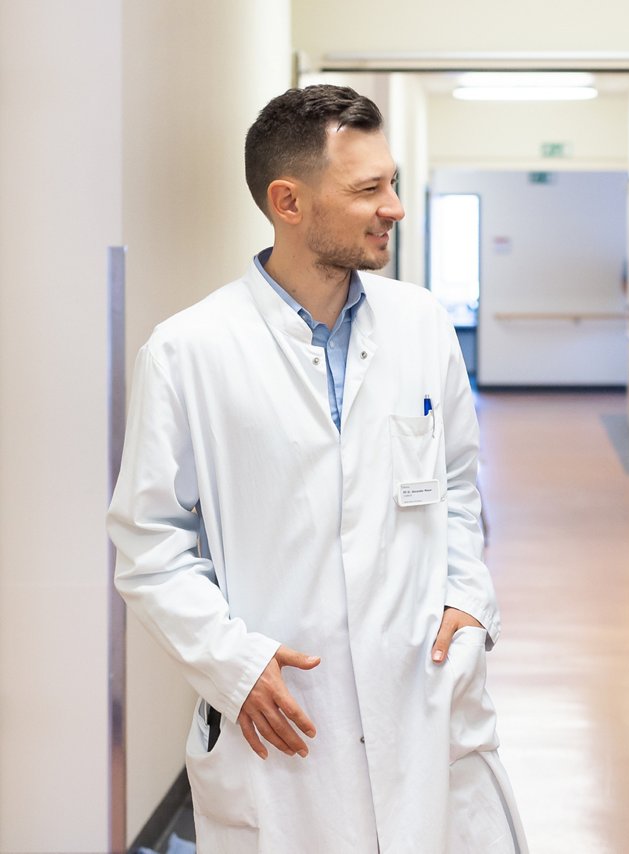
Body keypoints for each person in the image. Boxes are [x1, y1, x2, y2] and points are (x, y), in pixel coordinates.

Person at [108, 85, 527, 854]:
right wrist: (232, 662)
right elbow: (149, 545)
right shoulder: (189, 352)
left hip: (424, 696)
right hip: (286, 720)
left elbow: (458, 487)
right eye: (368, 189)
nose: (394, 207)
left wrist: (469, 600)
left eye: (392, 182)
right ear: (289, 202)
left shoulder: (422, 326)